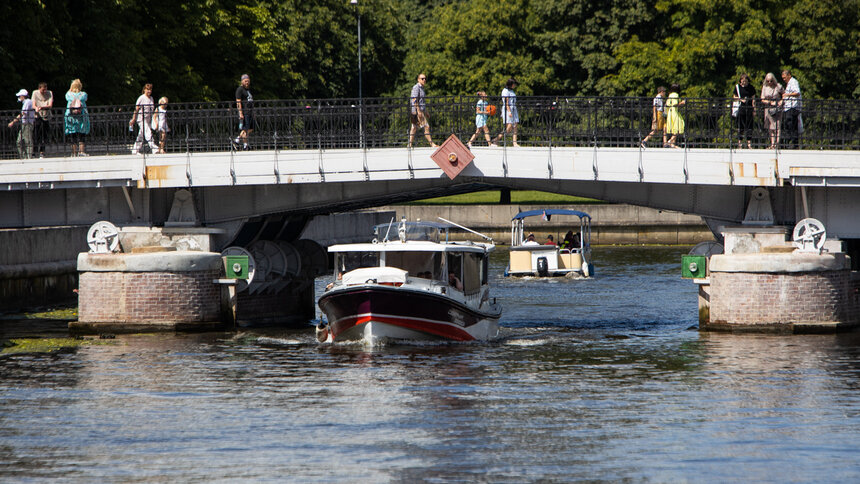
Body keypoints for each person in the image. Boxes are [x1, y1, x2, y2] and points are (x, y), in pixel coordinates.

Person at [408, 73, 437, 148]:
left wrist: (425, 111)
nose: (424, 80)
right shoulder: (416, 87)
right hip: (417, 111)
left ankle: (409, 144)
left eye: (425, 78)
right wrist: (419, 111)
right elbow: (414, 99)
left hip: (420, 111)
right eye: (422, 78)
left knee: (414, 127)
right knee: (426, 126)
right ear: (418, 79)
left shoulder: (422, 88)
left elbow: (422, 102)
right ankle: (431, 144)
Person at [129, 83, 159, 155]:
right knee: (148, 132)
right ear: (144, 90)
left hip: (148, 119)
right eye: (147, 89)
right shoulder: (141, 98)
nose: (149, 91)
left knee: (141, 135)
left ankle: (135, 150)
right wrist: (133, 119)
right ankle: (154, 148)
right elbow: (136, 109)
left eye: (150, 90)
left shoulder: (151, 98)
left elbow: (152, 109)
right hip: (141, 118)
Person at [63, 79, 90, 156]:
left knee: (73, 134)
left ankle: (73, 152)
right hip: (81, 117)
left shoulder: (69, 95)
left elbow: (67, 95)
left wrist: (71, 88)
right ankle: (81, 151)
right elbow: (85, 99)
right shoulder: (83, 95)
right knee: (82, 134)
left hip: (71, 117)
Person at [8, 89, 35, 159]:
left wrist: (13, 122)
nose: (19, 98)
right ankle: (24, 156)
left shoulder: (27, 102)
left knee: (27, 141)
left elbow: (23, 113)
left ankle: (29, 157)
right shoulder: (25, 102)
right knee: (19, 142)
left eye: (20, 96)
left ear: (23, 96)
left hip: (27, 124)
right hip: (24, 124)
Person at [493, 78, 519, 147]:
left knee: (515, 125)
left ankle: (514, 142)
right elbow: (506, 102)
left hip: (514, 109)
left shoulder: (512, 91)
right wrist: (509, 111)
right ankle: (496, 139)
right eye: (514, 84)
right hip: (508, 109)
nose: (515, 85)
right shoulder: (505, 91)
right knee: (509, 127)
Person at [760, 73, 784, 149]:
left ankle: (777, 143)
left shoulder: (778, 86)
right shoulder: (764, 87)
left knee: (777, 125)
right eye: (768, 81)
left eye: (771, 81)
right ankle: (772, 143)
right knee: (770, 126)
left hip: (777, 108)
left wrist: (781, 101)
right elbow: (762, 98)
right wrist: (769, 102)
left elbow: (784, 94)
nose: (769, 82)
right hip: (768, 108)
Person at [733, 74, 756, 149]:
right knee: (741, 126)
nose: (744, 83)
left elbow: (753, 99)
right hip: (741, 108)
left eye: (745, 81)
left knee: (749, 126)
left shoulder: (751, 87)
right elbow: (734, 97)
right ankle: (740, 143)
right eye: (742, 81)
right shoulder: (738, 87)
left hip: (749, 108)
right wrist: (741, 99)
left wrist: (754, 109)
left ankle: (749, 143)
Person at [32, 82, 53, 158]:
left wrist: (41, 107)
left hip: (46, 115)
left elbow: (50, 105)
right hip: (38, 115)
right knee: (36, 134)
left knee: (44, 135)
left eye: (45, 90)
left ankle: (42, 151)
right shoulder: (35, 93)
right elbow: (34, 104)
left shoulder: (49, 93)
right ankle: (34, 152)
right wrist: (36, 108)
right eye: (42, 90)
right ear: (39, 88)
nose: (44, 92)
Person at [781, 70, 801, 149]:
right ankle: (789, 142)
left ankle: (794, 143)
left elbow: (797, 93)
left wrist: (787, 95)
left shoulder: (793, 82)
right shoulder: (789, 83)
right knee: (788, 125)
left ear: (789, 75)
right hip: (788, 107)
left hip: (792, 107)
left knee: (791, 124)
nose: (784, 79)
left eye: (785, 78)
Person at [234, 74, 254, 150]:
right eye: (245, 81)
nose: (247, 82)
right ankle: (245, 145)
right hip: (245, 112)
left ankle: (237, 140)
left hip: (250, 112)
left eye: (248, 81)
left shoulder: (249, 90)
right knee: (245, 128)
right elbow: (238, 102)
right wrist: (240, 113)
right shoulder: (240, 89)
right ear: (242, 81)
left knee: (249, 128)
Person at [665, 83, 685, 149]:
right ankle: (670, 141)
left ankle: (672, 144)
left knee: (674, 128)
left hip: (670, 112)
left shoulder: (670, 95)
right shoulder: (676, 95)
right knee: (679, 125)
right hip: (674, 112)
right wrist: (682, 103)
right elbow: (675, 104)